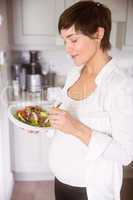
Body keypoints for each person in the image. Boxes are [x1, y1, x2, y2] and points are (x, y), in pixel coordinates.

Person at [47, 1, 133, 200]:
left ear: (98, 34)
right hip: (60, 183)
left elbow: (126, 154)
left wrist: (75, 127)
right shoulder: (73, 73)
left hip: (89, 192)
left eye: (73, 40)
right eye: (65, 41)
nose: (67, 49)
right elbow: (63, 120)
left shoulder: (121, 86)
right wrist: (43, 123)